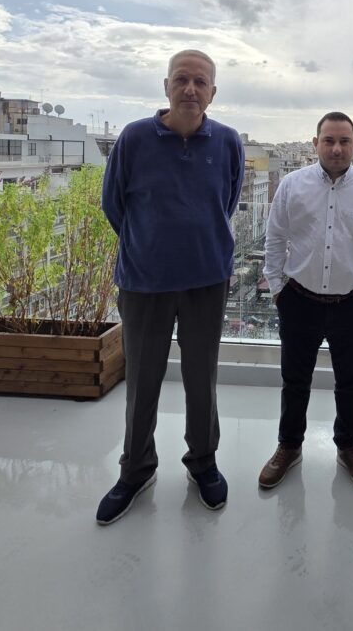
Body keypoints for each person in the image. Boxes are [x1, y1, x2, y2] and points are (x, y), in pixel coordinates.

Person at [96, 49, 245, 524]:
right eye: (182, 79)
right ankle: (135, 470)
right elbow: (113, 204)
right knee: (142, 380)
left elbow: (227, 202)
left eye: (200, 82)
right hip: (144, 282)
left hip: (207, 280)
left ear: (213, 93)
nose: (190, 89)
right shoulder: (135, 138)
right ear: (166, 86)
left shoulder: (227, 142)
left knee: (202, 379)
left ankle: (203, 462)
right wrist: (149, 246)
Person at [259, 112, 353, 490]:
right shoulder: (292, 185)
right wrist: (277, 288)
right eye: (329, 140)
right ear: (315, 143)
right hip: (299, 300)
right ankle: (289, 445)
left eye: (344, 141)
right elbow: (275, 238)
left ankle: (348, 446)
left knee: (350, 382)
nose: (336, 148)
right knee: (294, 380)